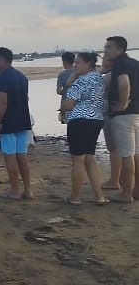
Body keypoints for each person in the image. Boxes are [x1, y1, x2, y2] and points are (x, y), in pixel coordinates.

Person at [60, 52, 110, 205]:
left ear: (88, 64)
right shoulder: (98, 79)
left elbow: (67, 104)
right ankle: (99, 196)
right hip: (96, 120)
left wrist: (62, 109)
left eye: (78, 63)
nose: (75, 65)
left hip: (79, 120)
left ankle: (75, 197)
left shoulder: (81, 81)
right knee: (90, 158)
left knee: (78, 160)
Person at [0, 47, 33, 200]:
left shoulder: (2, 78)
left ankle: (14, 190)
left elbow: (2, 103)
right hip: (22, 120)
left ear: (2, 60)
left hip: (8, 122)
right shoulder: (21, 76)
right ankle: (27, 190)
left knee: (10, 156)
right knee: (21, 155)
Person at [105, 36, 139, 202]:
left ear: (120, 49)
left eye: (109, 48)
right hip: (137, 113)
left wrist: (123, 104)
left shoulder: (120, 65)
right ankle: (137, 189)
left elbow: (124, 83)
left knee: (126, 155)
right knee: (136, 154)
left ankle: (126, 193)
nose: (106, 51)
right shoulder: (135, 63)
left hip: (124, 116)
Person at [99, 56, 123, 190]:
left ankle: (114, 180)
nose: (101, 63)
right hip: (126, 114)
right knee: (125, 149)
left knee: (114, 149)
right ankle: (122, 179)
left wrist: (99, 72)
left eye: (104, 61)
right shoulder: (125, 74)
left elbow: (91, 88)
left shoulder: (108, 77)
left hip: (110, 115)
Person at [57, 52, 76, 124]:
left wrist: (65, 91)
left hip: (66, 104)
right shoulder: (79, 72)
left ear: (64, 61)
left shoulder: (62, 74)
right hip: (79, 103)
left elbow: (58, 91)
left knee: (70, 125)